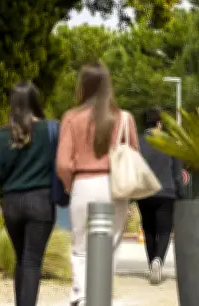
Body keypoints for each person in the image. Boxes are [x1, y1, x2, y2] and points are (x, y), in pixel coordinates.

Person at [57, 62, 140, 306]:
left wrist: (69, 185)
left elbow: (63, 162)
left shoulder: (71, 118)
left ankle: (81, 294)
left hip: (83, 183)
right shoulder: (124, 118)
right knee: (111, 243)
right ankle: (102, 294)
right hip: (115, 186)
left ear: (82, 85)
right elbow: (134, 154)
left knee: (80, 244)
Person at [0, 81, 57, 306]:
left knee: (21, 258)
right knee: (32, 261)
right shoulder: (50, 130)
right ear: (36, 101)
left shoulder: (3, 135)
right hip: (41, 202)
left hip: (12, 204)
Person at [136, 107, 184, 285]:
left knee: (148, 229)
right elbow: (177, 173)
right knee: (164, 230)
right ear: (159, 123)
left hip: (144, 191)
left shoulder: (138, 142)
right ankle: (158, 260)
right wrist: (182, 195)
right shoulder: (170, 143)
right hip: (166, 192)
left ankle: (151, 264)